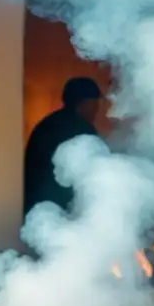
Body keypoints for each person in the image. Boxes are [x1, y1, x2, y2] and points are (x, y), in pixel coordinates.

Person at [23, 76, 104, 217]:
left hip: (36, 207)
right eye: (94, 105)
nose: (96, 111)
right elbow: (92, 174)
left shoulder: (48, 123)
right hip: (60, 209)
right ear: (83, 104)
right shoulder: (80, 128)